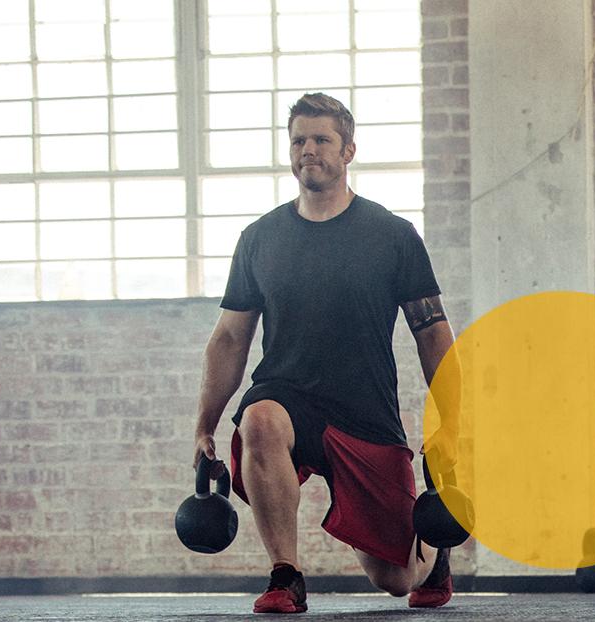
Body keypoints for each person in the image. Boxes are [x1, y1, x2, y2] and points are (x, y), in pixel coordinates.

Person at [190, 93, 458, 614]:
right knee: (260, 419)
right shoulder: (259, 240)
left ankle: (435, 555)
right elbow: (229, 338)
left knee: (397, 579)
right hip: (287, 394)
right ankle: (285, 575)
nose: (308, 149)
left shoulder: (393, 236)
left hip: (365, 411)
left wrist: (456, 419)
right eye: (298, 140)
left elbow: (432, 331)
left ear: (348, 151)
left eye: (321, 139)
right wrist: (206, 422)